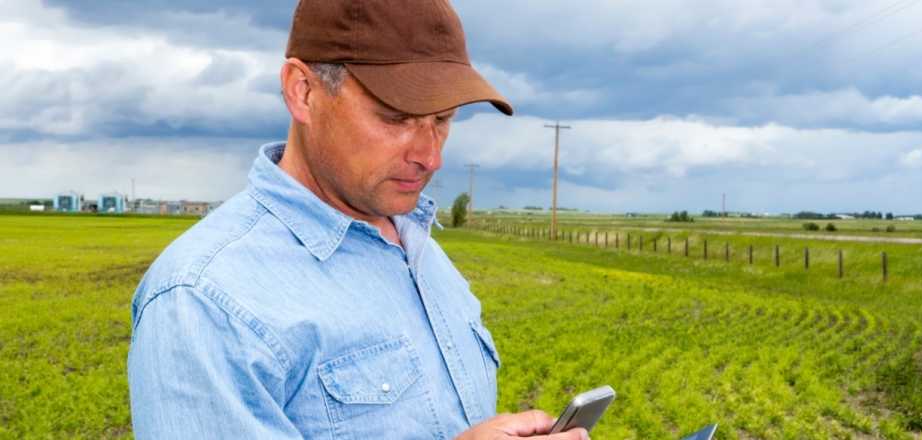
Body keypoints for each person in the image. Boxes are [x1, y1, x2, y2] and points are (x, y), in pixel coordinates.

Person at [127, 0, 589, 439]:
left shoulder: (417, 247)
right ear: (302, 92)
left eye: (443, 119)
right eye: (396, 118)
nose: (430, 156)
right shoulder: (204, 300)